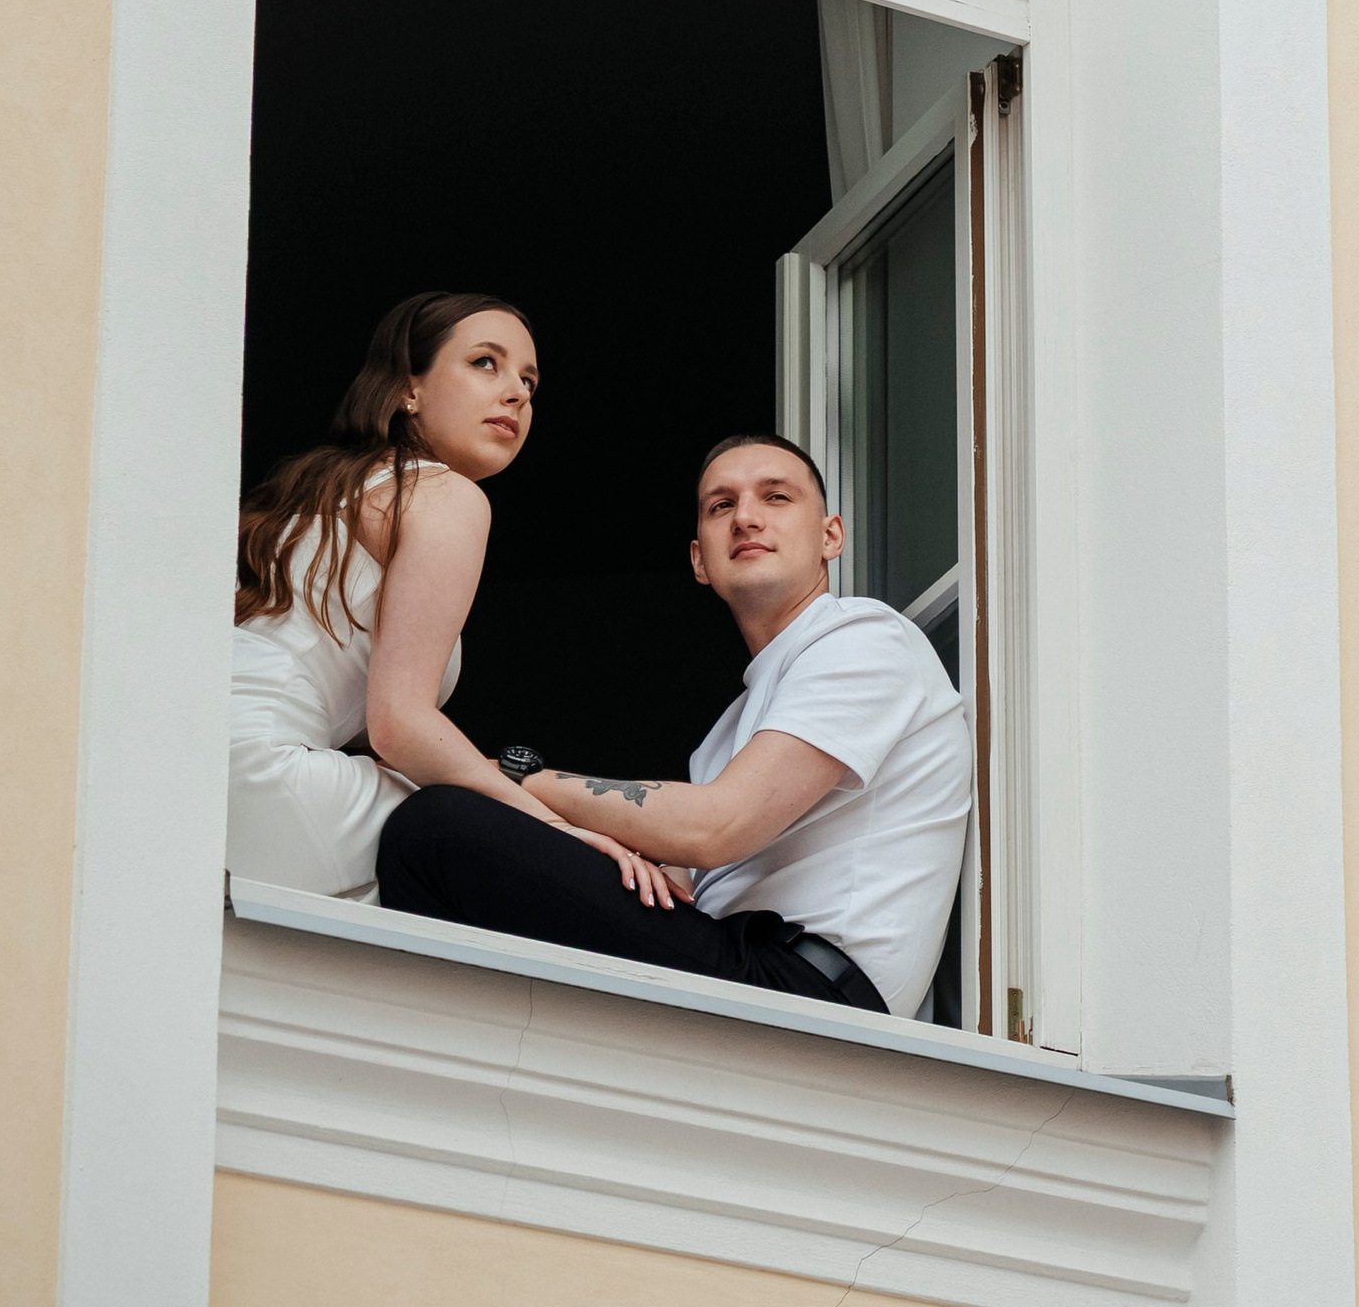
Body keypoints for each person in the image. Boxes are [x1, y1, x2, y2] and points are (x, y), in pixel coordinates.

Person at [376, 431, 971, 1018]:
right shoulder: (727, 735)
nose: (746, 519)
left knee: (437, 828)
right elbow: (677, 874)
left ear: (830, 536)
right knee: (459, 850)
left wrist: (517, 780)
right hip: (741, 965)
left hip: (810, 994)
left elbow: (717, 826)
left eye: (776, 498)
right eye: (721, 506)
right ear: (698, 562)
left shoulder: (864, 637)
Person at [226, 293, 671, 909]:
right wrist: (558, 829)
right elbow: (400, 723)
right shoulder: (444, 496)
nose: (516, 392)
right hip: (269, 777)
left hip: (198, 760)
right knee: (510, 853)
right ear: (408, 390)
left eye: (529, 380)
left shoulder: (323, 491)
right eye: (485, 363)